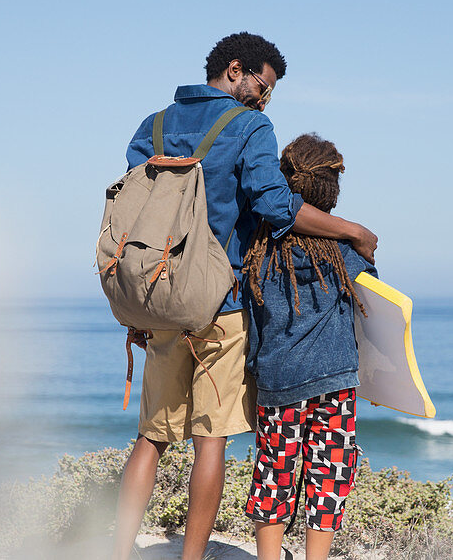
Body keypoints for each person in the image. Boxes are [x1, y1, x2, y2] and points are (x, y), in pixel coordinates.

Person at [111, 33, 378, 560]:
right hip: (221, 305)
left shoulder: (154, 126)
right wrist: (350, 230)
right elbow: (276, 207)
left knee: (151, 438)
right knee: (211, 441)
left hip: (162, 301)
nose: (264, 98)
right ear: (236, 69)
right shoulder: (249, 125)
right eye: (264, 85)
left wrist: (140, 305)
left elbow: (136, 216)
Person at [241, 133, 375, 560]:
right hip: (336, 379)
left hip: (279, 382)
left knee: (274, 473)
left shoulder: (259, 252)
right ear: (331, 191)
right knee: (330, 474)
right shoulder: (344, 254)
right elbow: (375, 304)